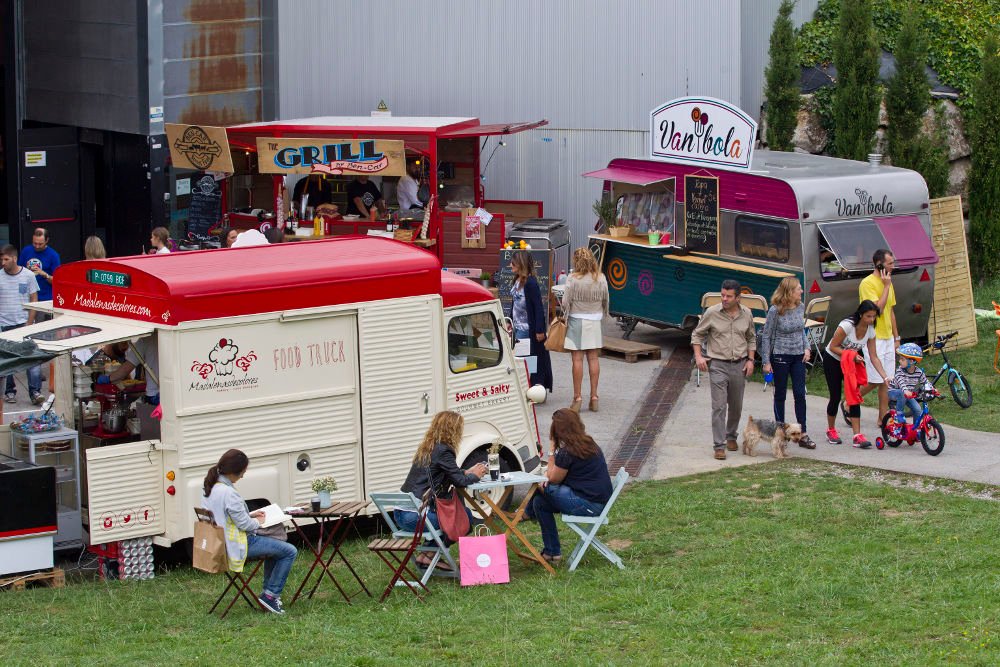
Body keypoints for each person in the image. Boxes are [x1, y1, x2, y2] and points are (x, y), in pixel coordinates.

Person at [201, 449, 298, 615]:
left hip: (218, 543)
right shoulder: (229, 493)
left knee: (278, 547)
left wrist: (251, 515)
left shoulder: (210, 488)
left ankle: (268, 594)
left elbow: (225, 516)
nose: (243, 476)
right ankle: (270, 595)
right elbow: (245, 525)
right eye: (242, 473)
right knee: (289, 551)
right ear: (234, 472)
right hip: (237, 544)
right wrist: (257, 521)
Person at [396, 411, 486, 569]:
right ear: (453, 430)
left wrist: (466, 472)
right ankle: (429, 556)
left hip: (401, 515)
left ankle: (427, 556)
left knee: (460, 515)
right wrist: (476, 476)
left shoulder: (428, 447)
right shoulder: (444, 450)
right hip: (415, 516)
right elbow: (459, 482)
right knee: (464, 518)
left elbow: (445, 472)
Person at [526, 408, 612, 564]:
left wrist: (552, 451)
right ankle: (552, 553)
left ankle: (525, 513)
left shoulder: (567, 452)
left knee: (543, 486)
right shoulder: (588, 443)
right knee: (540, 503)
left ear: (558, 430)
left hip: (588, 504)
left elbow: (552, 478)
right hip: (596, 501)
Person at [691, 279, 756, 460]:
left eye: (729, 296)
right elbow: (697, 334)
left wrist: (751, 360)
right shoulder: (712, 313)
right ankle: (719, 446)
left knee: (736, 406)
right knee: (719, 406)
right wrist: (698, 356)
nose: (724, 299)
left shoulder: (747, 314)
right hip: (718, 364)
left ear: (738, 298)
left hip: (739, 364)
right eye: (722, 295)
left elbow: (751, 337)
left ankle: (731, 436)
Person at [822, 300, 891, 449]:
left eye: (873, 317)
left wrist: (884, 377)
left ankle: (857, 436)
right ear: (860, 314)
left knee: (854, 396)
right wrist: (851, 355)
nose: (871, 320)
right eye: (868, 316)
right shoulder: (847, 326)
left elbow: (874, 356)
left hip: (850, 361)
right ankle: (831, 430)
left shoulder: (871, 330)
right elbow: (833, 346)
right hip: (833, 360)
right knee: (835, 396)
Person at [760, 277, 816, 449]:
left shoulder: (800, 306)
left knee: (800, 394)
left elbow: (802, 330)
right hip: (781, 355)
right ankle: (780, 432)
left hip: (798, 355)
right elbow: (767, 335)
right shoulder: (775, 311)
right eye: (798, 289)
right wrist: (766, 361)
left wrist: (807, 348)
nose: (801, 291)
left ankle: (803, 433)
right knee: (780, 394)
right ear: (789, 292)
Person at [561, 247, 609, 412]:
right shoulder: (600, 278)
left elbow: (565, 302)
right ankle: (594, 397)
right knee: (594, 358)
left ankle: (578, 397)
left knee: (577, 360)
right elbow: (606, 301)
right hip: (595, 321)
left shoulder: (572, 279)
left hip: (577, 320)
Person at [857, 249, 899, 424]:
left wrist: (896, 338)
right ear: (879, 264)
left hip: (888, 337)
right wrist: (886, 286)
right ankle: (849, 401)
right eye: (890, 263)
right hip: (874, 337)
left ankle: (883, 418)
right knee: (875, 380)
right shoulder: (867, 284)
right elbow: (878, 310)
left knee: (886, 380)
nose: (893, 266)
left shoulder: (888, 281)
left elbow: (890, 311)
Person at [0, 244, 42, 404]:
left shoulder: (28, 276)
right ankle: (10, 392)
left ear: (14, 258)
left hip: (25, 323)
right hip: (5, 325)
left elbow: (34, 299)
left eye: (6, 259)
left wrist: (29, 323)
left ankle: (35, 392)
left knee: (32, 359)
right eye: (1, 259)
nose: (3, 262)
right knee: (8, 360)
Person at [510, 250, 553, 391]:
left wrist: (540, 330)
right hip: (517, 326)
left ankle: (532, 387)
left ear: (520, 264)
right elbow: (514, 303)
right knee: (520, 358)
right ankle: (525, 386)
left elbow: (538, 307)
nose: (510, 265)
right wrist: (509, 321)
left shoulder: (530, 284)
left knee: (527, 359)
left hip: (526, 329)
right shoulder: (517, 280)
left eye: (513, 262)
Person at [97, 336, 160, 405]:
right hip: (168, 391)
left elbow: (126, 369)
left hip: (154, 393)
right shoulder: (167, 337)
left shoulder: (145, 340)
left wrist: (108, 378)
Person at [887, 343, 931, 431]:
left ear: (911, 361)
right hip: (893, 392)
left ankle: (916, 429)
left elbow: (925, 382)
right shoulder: (900, 371)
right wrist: (906, 391)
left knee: (918, 409)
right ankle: (898, 415)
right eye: (900, 359)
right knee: (902, 393)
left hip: (907, 395)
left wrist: (932, 389)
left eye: (902, 359)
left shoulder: (918, 372)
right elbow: (901, 383)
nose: (899, 361)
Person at [19, 227, 60, 307]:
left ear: (47, 240)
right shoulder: (26, 251)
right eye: (34, 243)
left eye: (40, 244)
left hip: (44, 299)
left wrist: (44, 274)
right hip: (27, 297)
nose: (37, 246)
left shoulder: (53, 256)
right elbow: (19, 273)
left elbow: (57, 282)